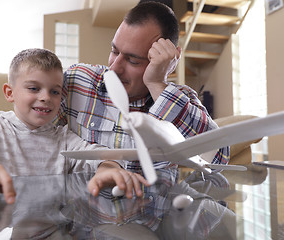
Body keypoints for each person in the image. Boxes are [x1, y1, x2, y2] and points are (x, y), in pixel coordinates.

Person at [54, 1, 230, 178]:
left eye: (133, 61)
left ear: (167, 62)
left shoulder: (182, 100)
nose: (115, 68)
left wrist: (157, 84)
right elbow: (36, 133)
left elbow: (217, 163)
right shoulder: (78, 80)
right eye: (114, 51)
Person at [0, 48, 148, 205]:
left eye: (55, 91)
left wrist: (108, 169)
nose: (46, 97)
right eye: (34, 88)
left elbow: (101, 155)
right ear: (10, 93)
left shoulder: (64, 139)